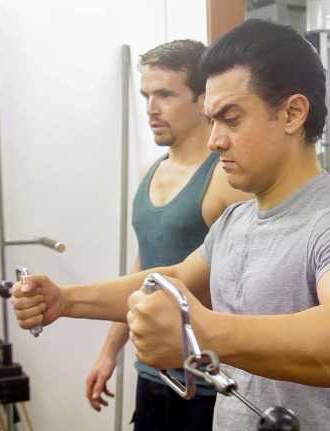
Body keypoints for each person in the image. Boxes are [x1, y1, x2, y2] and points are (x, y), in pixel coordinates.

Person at [12, 20, 330, 431]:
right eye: (212, 121)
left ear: (292, 113)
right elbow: (170, 281)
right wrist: (65, 300)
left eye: (231, 119)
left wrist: (201, 332)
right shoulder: (236, 220)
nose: (214, 140)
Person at [85, 39, 248, 430]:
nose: (151, 109)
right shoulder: (151, 172)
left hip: (209, 385)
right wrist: (109, 351)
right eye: (146, 96)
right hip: (153, 375)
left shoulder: (227, 179)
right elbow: (146, 272)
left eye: (165, 95)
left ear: (203, 99)